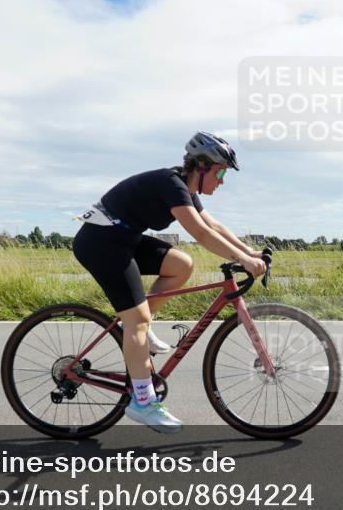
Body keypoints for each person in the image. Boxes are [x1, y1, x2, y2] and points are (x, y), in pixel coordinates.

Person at [72, 132, 267, 434]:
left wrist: (247, 251)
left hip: (125, 239)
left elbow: (212, 225)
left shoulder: (186, 188)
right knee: (136, 320)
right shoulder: (171, 184)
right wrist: (243, 261)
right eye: (221, 172)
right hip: (101, 243)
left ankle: (138, 331)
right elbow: (201, 235)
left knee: (181, 264)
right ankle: (143, 402)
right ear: (201, 166)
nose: (223, 180)